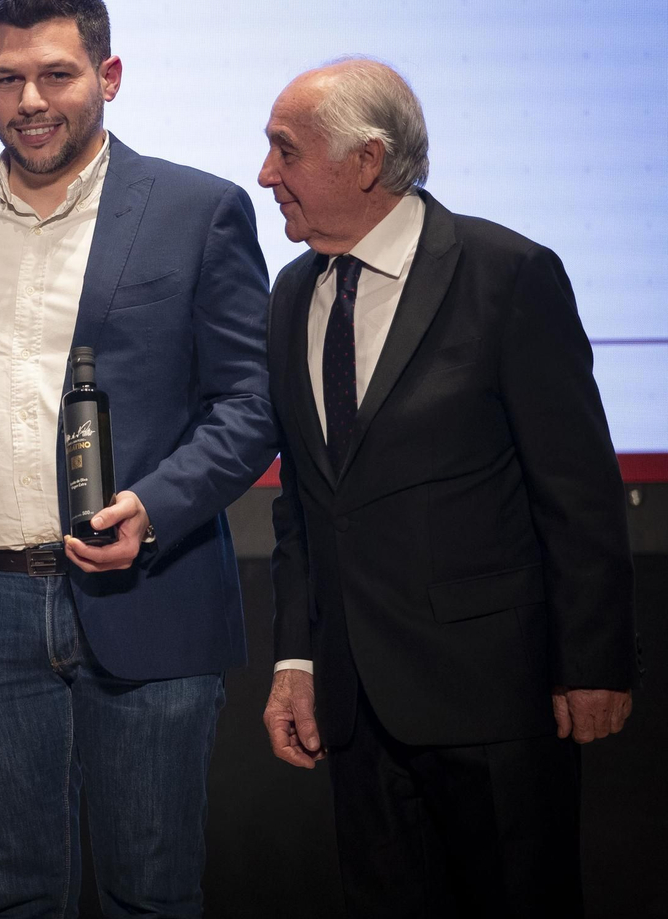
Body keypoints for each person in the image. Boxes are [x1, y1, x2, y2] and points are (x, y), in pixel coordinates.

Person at [0, 0, 277, 918]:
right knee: (11, 897)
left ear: (109, 75)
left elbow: (251, 400)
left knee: (151, 897)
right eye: (6, 78)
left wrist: (155, 507)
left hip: (148, 593)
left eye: (57, 74)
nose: (30, 101)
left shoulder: (200, 209)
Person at [257, 57, 637, 917]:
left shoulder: (507, 275)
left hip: (494, 701)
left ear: (365, 161)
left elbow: (576, 490)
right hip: (356, 714)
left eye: (286, 151)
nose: (266, 174)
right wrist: (296, 658)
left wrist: (595, 662)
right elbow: (305, 511)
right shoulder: (291, 295)